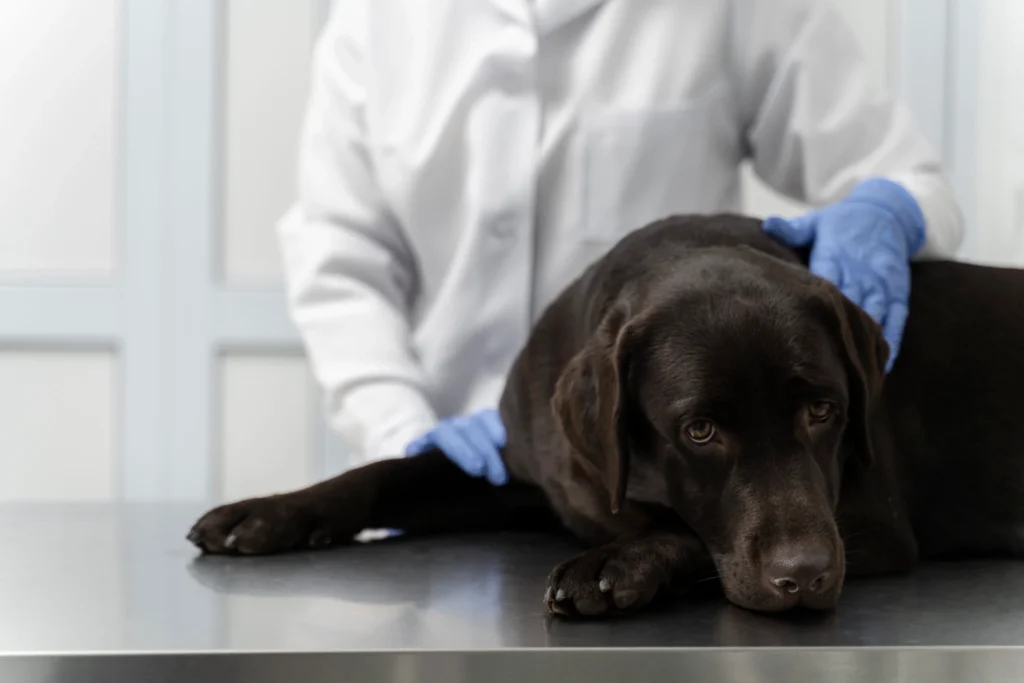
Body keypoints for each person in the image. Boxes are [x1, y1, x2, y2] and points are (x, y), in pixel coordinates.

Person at [277, 0, 963, 486]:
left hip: (658, 489)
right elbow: (342, 258)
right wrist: (401, 434)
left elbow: (904, 172)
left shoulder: (738, 8)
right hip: (456, 466)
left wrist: (887, 205)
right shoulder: (372, 21)